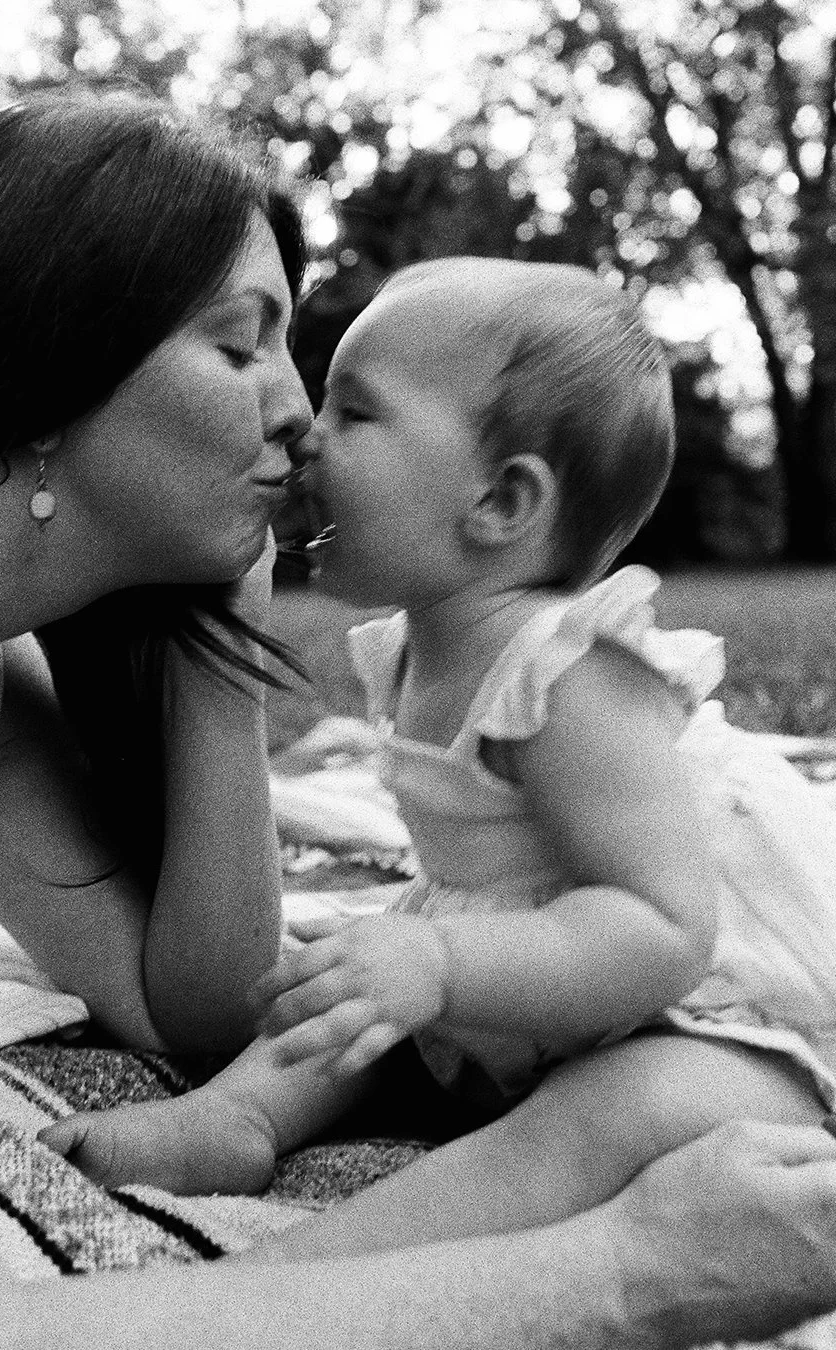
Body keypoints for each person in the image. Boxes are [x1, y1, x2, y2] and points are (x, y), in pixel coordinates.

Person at [0, 91, 836, 1350]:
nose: (297, 416)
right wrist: (630, 1269)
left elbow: (188, 1008)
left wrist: (219, 668)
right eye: (241, 346)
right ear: (46, 365)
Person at [41, 256, 836, 1259]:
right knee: (350, 1004)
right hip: (540, 964)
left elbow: (663, 932)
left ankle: (319, 1269)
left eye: (356, 412)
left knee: (612, 1115)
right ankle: (236, 1119)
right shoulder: (422, 647)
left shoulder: (569, 678)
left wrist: (442, 962)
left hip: (723, 1008)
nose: (308, 433)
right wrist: (422, 961)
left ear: (500, 500)